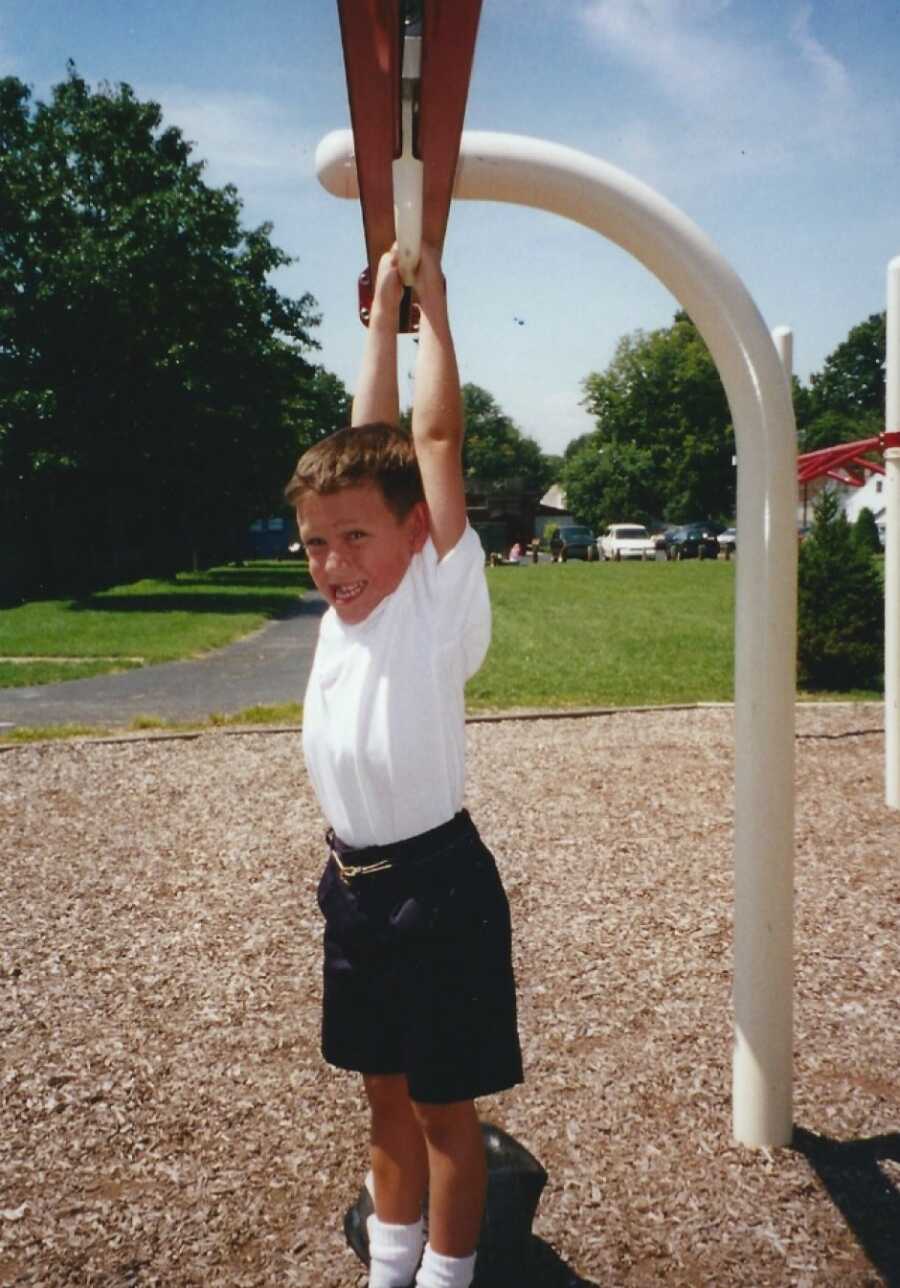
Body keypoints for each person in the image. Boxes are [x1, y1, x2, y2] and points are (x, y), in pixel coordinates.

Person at [284, 243, 523, 1288]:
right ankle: (390, 1268)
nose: (332, 564)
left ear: (418, 528)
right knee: (381, 1096)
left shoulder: (428, 595)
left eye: (352, 538)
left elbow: (426, 434)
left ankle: (449, 1274)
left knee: (440, 1107)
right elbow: (367, 435)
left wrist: (435, 309)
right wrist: (379, 312)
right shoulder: (347, 612)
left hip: (438, 888)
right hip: (355, 888)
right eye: (314, 543)